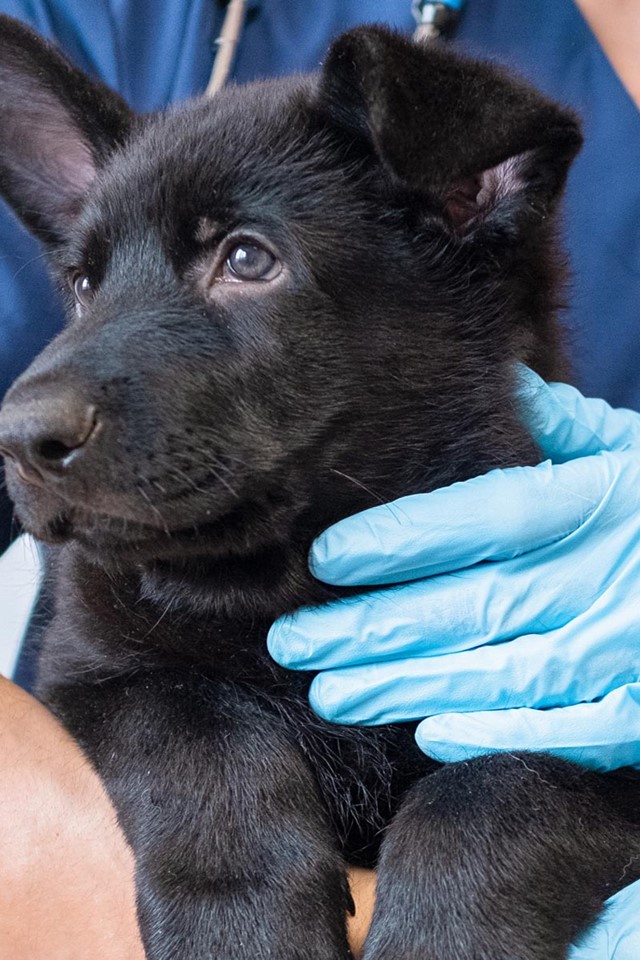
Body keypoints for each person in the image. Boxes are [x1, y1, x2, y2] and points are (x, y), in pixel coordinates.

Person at [0, 1, 639, 956]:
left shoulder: (582, 602)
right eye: (89, 284)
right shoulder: (116, 15)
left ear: (470, 200)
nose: (39, 408)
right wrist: (207, 835)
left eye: (243, 258)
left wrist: (505, 837)